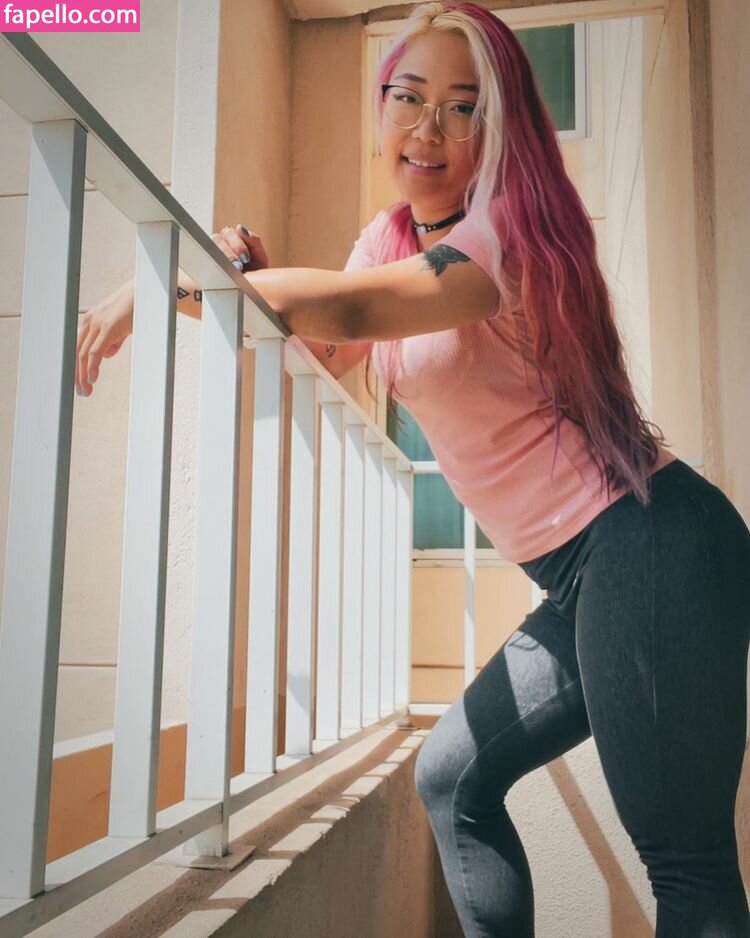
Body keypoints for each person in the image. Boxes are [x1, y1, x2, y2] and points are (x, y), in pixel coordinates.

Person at [76, 2, 750, 934]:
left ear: (499, 129)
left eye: (464, 107)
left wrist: (161, 283)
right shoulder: (389, 237)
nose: (428, 128)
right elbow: (329, 349)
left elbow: (352, 311)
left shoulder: (504, 232)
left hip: (649, 541)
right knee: (452, 777)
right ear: (381, 101)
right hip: (580, 577)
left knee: (682, 861)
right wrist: (237, 280)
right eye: (409, 96)